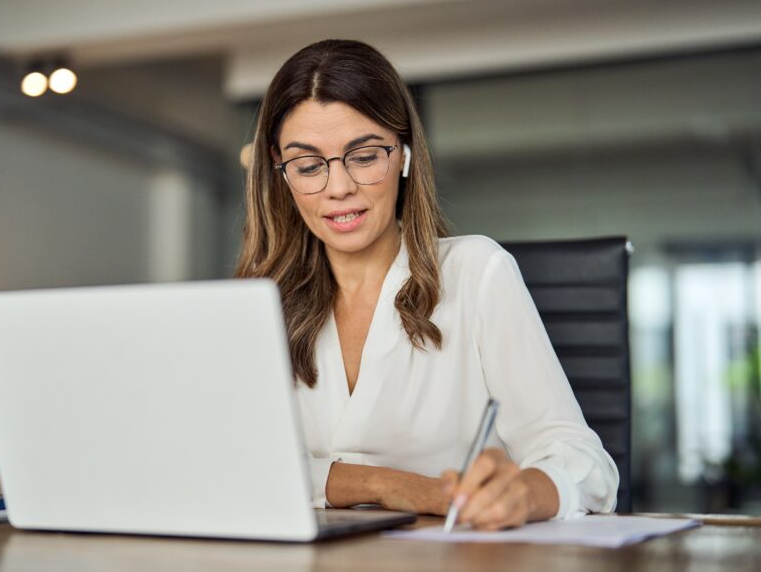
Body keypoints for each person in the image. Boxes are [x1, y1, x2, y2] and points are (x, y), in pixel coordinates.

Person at [236, 39, 618, 530]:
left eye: (365, 155)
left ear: (404, 154)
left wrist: (528, 491)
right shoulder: (257, 303)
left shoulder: (477, 272)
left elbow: (584, 459)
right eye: (308, 165)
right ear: (281, 172)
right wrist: (391, 485)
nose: (337, 188)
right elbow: (237, 468)